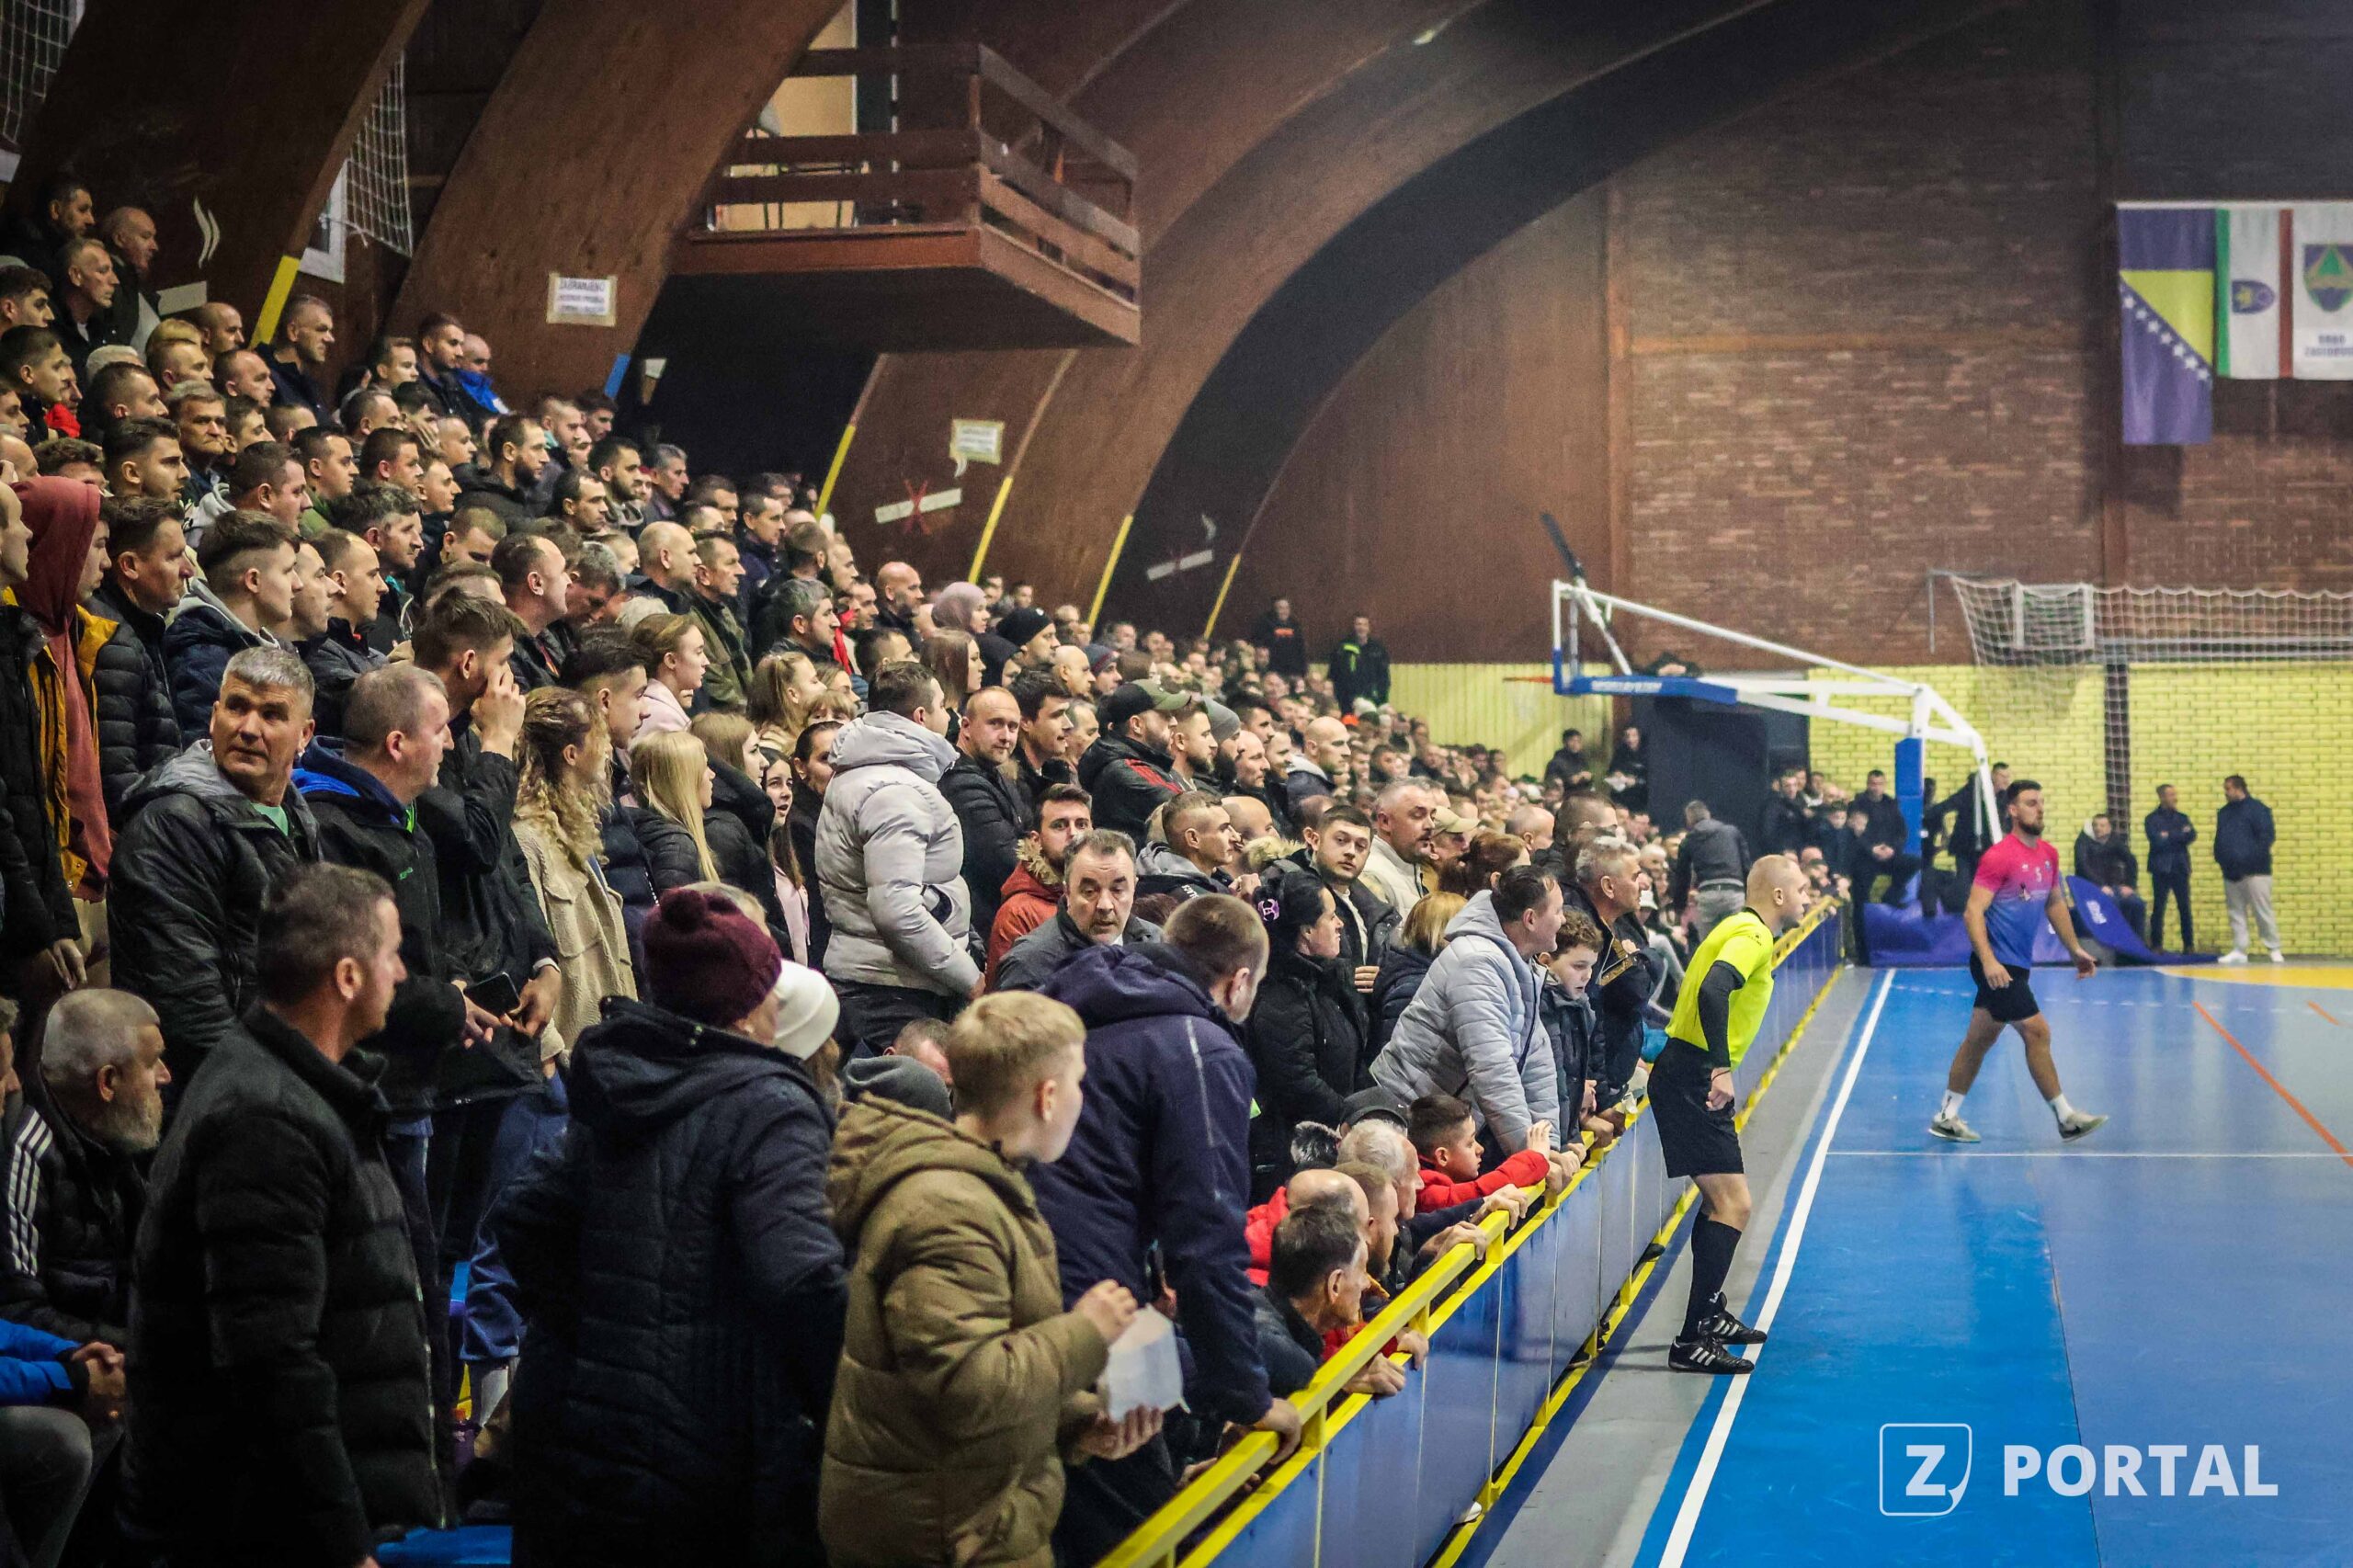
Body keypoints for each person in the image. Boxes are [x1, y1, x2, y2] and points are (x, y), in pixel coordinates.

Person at [494, 890, 846, 1567]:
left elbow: (526, 1215)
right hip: (716, 1448)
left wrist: (602, 1321)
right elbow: (802, 1280)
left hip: (589, 1429)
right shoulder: (770, 1105)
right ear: (748, 1007)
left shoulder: (621, 1084)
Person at [125, 864, 442, 1565]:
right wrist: (344, 1542)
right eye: (392, 954)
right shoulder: (265, 1120)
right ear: (348, 977)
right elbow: (271, 1362)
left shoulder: (296, 1091)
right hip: (262, 1531)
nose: (402, 972)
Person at [820, 992, 1159, 1568]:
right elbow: (964, 1388)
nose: (1082, 1099)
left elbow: (966, 1369)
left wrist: (1077, 1424)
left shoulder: (983, 1187)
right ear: (1047, 1097)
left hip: (964, 1518)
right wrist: (1086, 1333)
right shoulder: (950, 1211)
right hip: (945, 1537)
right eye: (1079, 1083)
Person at [1029, 897, 1301, 1561]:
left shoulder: (1069, 1002)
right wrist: (1249, 1396)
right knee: (1136, 1529)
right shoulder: (1201, 1050)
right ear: (1239, 982)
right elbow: (1206, 1241)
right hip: (1093, 1310)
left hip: (1028, 1288)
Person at [109, 647, 322, 1081]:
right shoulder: (173, 824)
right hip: (211, 1088)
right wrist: (269, 1089)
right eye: (237, 707)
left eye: (272, 715)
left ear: (305, 735)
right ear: (213, 717)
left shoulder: (297, 815)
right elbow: (186, 999)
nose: (248, 729)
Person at [1648, 856, 1810, 1374]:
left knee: (1720, 1202)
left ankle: (1710, 1313)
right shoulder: (1753, 934)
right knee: (1734, 1205)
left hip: (1686, 1070)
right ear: (1778, 895)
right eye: (1801, 889)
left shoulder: (1735, 926)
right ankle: (1690, 1341)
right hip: (1693, 1074)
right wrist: (1720, 1066)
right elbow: (1715, 987)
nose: (1807, 897)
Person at [1930, 780, 2109, 1145]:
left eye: (2041, 802)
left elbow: (2055, 903)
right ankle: (2066, 1118)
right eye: (2030, 803)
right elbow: (1972, 912)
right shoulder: (1999, 857)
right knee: (2037, 1032)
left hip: (2017, 964)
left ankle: (1946, 1117)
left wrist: (2074, 949)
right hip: (1998, 966)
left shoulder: (2048, 854)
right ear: (2012, 810)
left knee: (1978, 1041)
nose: (2039, 808)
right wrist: (1989, 962)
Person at [816, 662, 980, 1052]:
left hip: (888, 982)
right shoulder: (895, 792)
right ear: (921, 716)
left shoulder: (870, 772)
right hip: (892, 990)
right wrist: (970, 978)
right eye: (943, 707)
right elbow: (896, 911)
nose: (950, 717)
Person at [0, 989, 165, 1348]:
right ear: (107, 1082)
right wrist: (137, 1348)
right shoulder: (28, 1152)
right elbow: (17, 1312)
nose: (165, 1076)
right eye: (152, 1063)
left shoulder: (116, 1133)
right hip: (78, 1366)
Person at [1369, 867, 1564, 1154]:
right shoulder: (1477, 962)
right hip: (1402, 1119)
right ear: (1530, 919)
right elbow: (1492, 1069)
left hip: (1435, 1124)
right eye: (1558, 911)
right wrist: (1531, 1157)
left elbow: (1536, 1062)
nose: (1563, 920)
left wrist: (1549, 1146)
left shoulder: (1521, 964)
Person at [511, 686, 636, 1051]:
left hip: (605, 1045)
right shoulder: (527, 838)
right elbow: (530, 954)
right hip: (571, 1053)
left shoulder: (575, 827)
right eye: (599, 737)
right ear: (571, 754)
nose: (608, 748)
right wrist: (549, 1053)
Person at [1242, 864, 1371, 1195]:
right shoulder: (1281, 996)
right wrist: (1352, 1119)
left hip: (1331, 1141)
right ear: (1307, 931)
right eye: (1331, 916)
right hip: (1296, 1161)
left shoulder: (1324, 981)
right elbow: (1298, 1082)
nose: (1340, 923)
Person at [162, 508, 297, 737]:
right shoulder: (201, 659)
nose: (298, 584)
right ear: (253, 580)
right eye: (288, 571)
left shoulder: (265, 647)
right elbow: (209, 750)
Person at [995, 830, 1161, 994]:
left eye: (1117, 890)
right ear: (1067, 891)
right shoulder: (1029, 965)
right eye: (1089, 892)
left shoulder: (1158, 944)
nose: (1105, 905)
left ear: (1134, 888)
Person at [940, 685, 1029, 942]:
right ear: (966, 726)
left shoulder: (996, 775)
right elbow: (1007, 861)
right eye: (995, 724)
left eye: (1013, 727)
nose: (1006, 737)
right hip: (978, 929)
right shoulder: (960, 783)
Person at [987, 784, 1092, 985]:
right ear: (1036, 840)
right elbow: (1006, 996)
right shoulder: (1017, 913)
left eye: (1082, 825)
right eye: (1059, 826)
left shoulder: (1107, 898)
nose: (1073, 834)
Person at [1078, 680, 1191, 839]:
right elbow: (1190, 811)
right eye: (1165, 715)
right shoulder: (1123, 769)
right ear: (1136, 724)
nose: (1174, 722)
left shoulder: (1142, 761)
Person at [2213, 774, 2280, 964]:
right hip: (2230, 871)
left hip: (2256, 871)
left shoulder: (2258, 810)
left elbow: (2266, 838)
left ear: (2239, 788)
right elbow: (2220, 838)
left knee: (2262, 911)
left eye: (2228, 789)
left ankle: (2273, 948)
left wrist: (2248, 860)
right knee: (2236, 912)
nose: (2226, 793)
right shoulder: (2224, 813)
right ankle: (2240, 949)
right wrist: (2220, 858)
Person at [1670, 800, 1754, 939]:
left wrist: (1679, 907)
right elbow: (1746, 867)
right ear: (1708, 814)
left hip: (1708, 896)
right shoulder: (1732, 832)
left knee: (1709, 945)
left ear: (1689, 820)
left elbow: (1682, 877)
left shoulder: (1689, 840)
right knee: (1737, 940)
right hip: (1734, 893)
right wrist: (1750, 897)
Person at [627, 613, 705, 748]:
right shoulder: (662, 717)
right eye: (698, 653)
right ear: (671, 660)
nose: (706, 662)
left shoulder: (660, 706)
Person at [1360, 780, 1435, 915]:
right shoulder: (1372, 875)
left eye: (1433, 817)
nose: (1430, 825)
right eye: (1418, 816)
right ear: (1385, 822)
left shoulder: (1408, 866)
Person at [2071, 812, 2146, 943]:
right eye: (2096, 825)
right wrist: (2100, 885)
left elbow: (2131, 861)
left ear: (2109, 828)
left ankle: (2137, 945)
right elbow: (2083, 867)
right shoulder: (2083, 842)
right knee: (2112, 903)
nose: (2098, 828)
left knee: (2137, 904)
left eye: (2102, 825)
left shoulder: (2113, 841)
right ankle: (2115, 943)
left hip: (2112, 887)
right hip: (2090, 887)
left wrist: (2130, 885)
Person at [2143, 781, 2196, 953]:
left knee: (2184, 907)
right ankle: (2156, 944)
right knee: (2159, 907)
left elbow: (2191, 835)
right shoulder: (2151, 819)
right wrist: (2179, 834)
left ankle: (2188, 945)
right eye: (2171, 795)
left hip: (2180, 867)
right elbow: (2157, 840)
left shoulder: (2182, 817)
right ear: (2162, 797)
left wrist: (2168, 835)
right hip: (2161, 869)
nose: (2175, 798)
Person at [1325, 614, 1390, 712]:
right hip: (1347, 696)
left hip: (1371, 695)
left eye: (1364, 625)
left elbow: (1384, 676)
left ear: (1369, 628)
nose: (1361, 627)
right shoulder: (1343, 647)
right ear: (1354, 627)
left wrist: (1383, 697)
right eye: (1358, 624)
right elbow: (1334, 671)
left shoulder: (1377, 649)